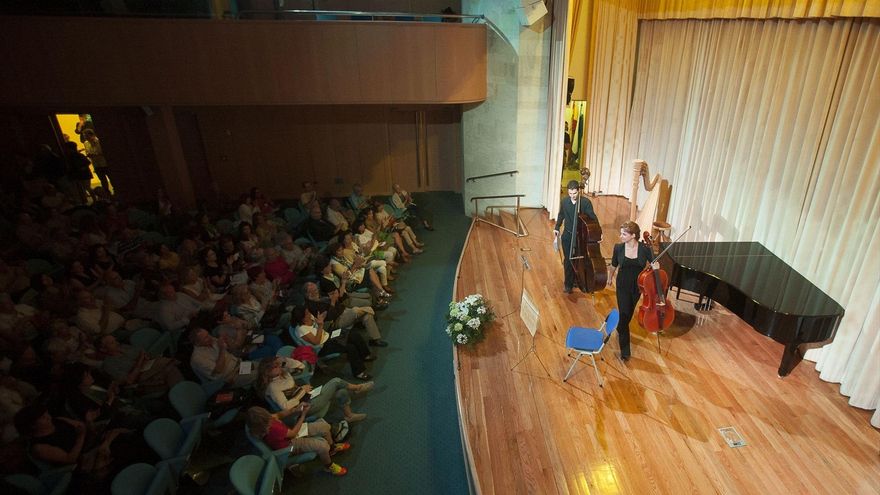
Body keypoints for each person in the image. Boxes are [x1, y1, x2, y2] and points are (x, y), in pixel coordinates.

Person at [245, 406, 349, 476]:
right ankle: (328, 466)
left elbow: (279, 415)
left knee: (325, 427)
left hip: (289, 433)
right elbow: (293, 433)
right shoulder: (272, 429)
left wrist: (297, 409)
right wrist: (303, 415)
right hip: (290, 444)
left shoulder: (265, 422)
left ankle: (332, 448)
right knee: (323, 446)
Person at [607, 221, 655, 362]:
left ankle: (620, 327)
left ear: (633, 235)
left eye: (624, 234)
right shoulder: (618, 248)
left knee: (628, 315)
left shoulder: (645, 249)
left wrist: (656, 266)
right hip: (622, 285)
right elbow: (613, 265)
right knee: (624, 313)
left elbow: (654, 263)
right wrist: (609, 278)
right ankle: (625, 351)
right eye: (621, 233)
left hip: (638, 287)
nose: (620, 236)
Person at [553, 180, 598, 293]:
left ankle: (578, 280)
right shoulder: (564, 202)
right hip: (567, 235)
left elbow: (593, 218)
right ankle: (568, 284)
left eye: (575, 193)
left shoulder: (585, 203)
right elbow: (561, 215)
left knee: (580, 259)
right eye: (570, 193)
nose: (572, 196)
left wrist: (599, 232)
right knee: (568, 260)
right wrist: (557, 227)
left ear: (579, 191)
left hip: (580, 237)